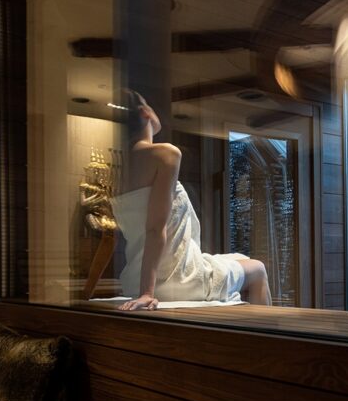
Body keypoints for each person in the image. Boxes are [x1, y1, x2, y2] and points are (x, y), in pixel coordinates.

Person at [111, 91, 271, 311]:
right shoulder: (165, 154)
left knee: (238, 257)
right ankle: (266, 342)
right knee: (259, 268)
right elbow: (155, 228)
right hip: (176, 279)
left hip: (133, 276)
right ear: (145, 112)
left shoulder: (119, 170)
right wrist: (147, 293)